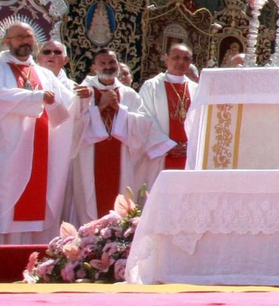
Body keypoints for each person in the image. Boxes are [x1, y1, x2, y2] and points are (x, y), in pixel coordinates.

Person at [0, 22, 76, 244]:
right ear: (6, 41)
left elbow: (66, 106)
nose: (25, 41)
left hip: (39, 149)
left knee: (35, 200)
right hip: (6, 151)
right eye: (19, 37)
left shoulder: (44, 74)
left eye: (28, 36)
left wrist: (81, 101)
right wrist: (35, 98)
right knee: (5, 202)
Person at [68, 49, 170, 224]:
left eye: (111, 62)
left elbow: (144, 124)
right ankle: (88, 236)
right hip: (89, 158)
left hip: (122, 157)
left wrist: (119, 109)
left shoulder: (129, 94)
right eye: (102, 63)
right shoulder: (84, 92)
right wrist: (99, 108)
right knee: (89, 200)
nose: (108, 66)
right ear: (94, 67)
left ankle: (118, 235)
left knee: (121, 199)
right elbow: (73, 126)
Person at [137, 44, 196, 172]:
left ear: (191, 61)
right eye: (176, 57)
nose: (181, 62)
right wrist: (167, 146)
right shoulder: (151, 86)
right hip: (161, 156)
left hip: (189, 154)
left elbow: (202, 122)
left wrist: (191, 145)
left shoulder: (196, 89)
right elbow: (144, 118)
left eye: (186, 59)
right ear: (166, 59)